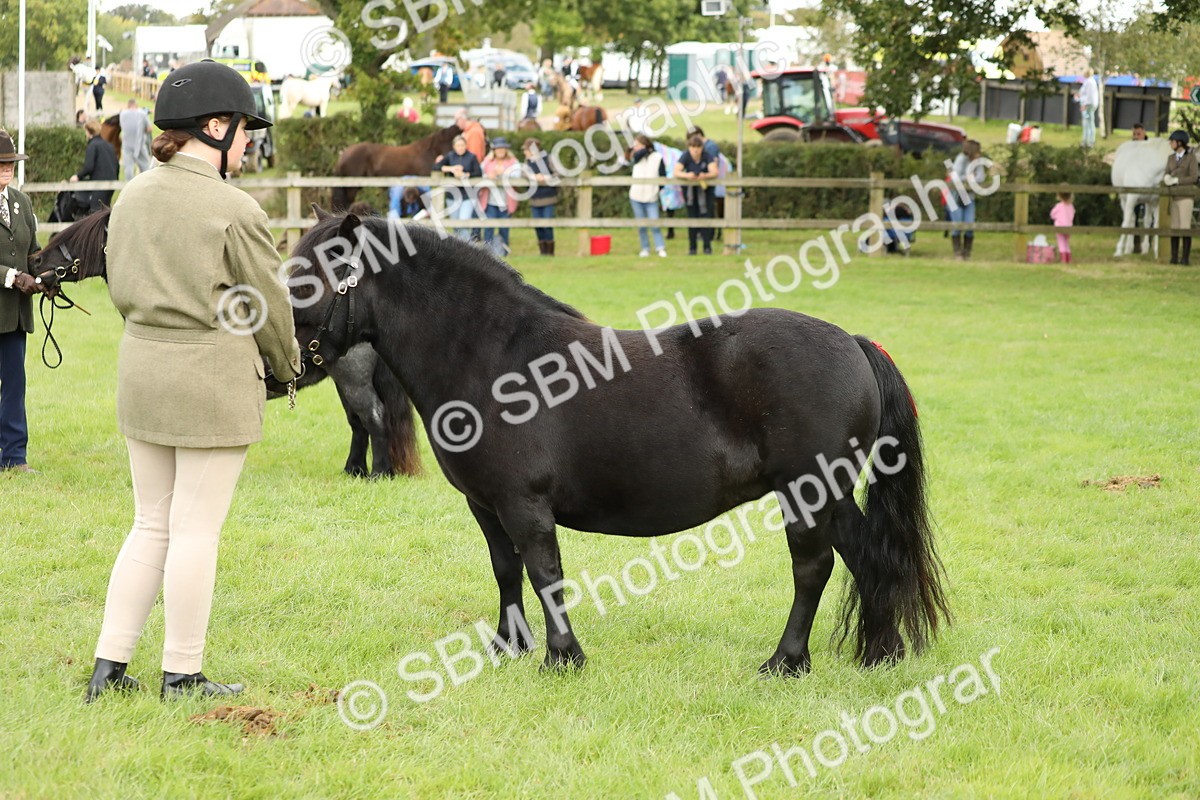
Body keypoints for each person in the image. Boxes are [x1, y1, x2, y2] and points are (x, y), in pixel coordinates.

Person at [85, 60, 303, 703]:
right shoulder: (233, 207)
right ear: (213, 126)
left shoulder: (131, 197)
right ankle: (181, 672)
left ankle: (109, 666)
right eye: (242, 131)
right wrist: (288, 367)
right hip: (208, 376)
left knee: (150, 522)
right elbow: (269, 304)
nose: (246, 142)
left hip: (142, 366)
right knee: (196, 529)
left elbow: (120, 287)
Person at [0, 129, 43, 474]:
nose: (6, 170)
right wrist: (14, 277)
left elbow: (33, 251)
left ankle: (14, 456)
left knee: (15, 384)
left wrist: (45, 275)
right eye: (1, 164)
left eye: (10, 164)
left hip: (14, 316)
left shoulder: (21, 202)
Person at [674, 134, 718, 255]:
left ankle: (707, 247)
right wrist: (688, 176)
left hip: (705, 193)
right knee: (692, 219)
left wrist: (705, 176)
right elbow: (676, 171)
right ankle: (692, 248)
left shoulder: (707, 156)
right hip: (691, 195)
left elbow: (714, 171)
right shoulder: (685, 156)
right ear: (689, 147)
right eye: (693, 147)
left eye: (698, 147)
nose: (695, 150)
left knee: (706, 219)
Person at [435, 134, 482, 241]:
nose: (460, 147)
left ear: (466, 145)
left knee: (463, 221)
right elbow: (436, 167)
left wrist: (465, 175)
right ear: (454, 146)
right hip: (452, 195)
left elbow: (478, 173)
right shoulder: (450, 156)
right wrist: (451, 169)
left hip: (468, 195)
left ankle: (468, 248)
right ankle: (459, 248)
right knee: (455, 224)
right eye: (458, 145)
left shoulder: (472, 157)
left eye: (462, 145)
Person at [69, 119, 119, 213]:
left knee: (96, 211)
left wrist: (78, 176)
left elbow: (89, 167)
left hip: (99, 183)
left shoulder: (92, 145)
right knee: (106, 210)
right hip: (112, 182)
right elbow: (117, 165)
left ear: (88, 131)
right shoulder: (109, 145)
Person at [629, 134, 667, 258]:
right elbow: (633, 160)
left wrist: (656, 189)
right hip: (636, 195)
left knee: (654, 223)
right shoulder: (635, 157)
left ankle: (660, 247)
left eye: (637, 145)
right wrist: (641, 151)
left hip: (651, 196)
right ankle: (645, 248)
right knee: (641, 225)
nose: (634, 148)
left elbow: (663, 177)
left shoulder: (657, 157)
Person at [480, 137, 519, 257]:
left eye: (502, 148)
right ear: (494, 150)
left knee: (504, 229)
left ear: (506, 149)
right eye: (498, 148)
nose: (500, 151)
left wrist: (504, 174)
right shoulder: (487, 162)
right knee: (488, 228)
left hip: (506, 202)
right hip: (490, 201)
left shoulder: (513, 162)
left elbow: (518, 175)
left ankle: (504, 253)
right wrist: (488, 176)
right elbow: (479, 174)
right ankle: (487, 254)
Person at [1163, 129, 1197, 265]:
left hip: (1186, 196)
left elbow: (1194, 177)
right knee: (1175, 226)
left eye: (1172, 141)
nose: (1170, 144)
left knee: (1185, 227)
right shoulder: (1170, 158)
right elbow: (1166, 171)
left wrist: (1177, 180)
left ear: (1179, 143)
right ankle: (1174, 257)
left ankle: (1185, 258)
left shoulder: (1191, 158)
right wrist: (1166, 177)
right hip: (1174, 197)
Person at [949, 139, 986, 260]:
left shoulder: (978, 162)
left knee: (970, 225)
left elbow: (981, 177)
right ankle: (957, 253)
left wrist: (970, 178)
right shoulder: (961, 159)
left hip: (969, 197)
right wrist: (969, 177)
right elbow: (955, 177)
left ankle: (967, 253)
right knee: (957, 224)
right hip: (956, 196)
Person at [523, 138, 557, 256]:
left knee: (547, 224)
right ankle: (542, 252)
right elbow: (523, 174)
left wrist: (546, 177)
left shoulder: (548, 158)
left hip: (548, 197)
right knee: (537, 226)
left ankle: (550, 252)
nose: (525, 152)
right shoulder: (527, 162)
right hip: (534, 198)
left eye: (527, 150)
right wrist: (533, 177)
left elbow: (558, 173)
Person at [118, 99, 153, 180]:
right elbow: (149, 129)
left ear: (128, 105)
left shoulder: (122, 114)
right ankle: (146, 183)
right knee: (145, 166)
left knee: (128, 167)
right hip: (139, 144)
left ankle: (129, 185)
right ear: (136, 105)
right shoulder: (142, 113)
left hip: (127, 144)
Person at [1050, 191, 1075, 263]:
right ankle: (1069, 258)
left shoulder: (1059, 206)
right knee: (1066, 242)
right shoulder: (1071, 206)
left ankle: (1063, 258)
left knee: (1061, 242)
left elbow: (1052, 214)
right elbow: (1072, 214)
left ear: (1059, 196)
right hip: (1068, 227)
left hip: (1059, 226)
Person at [1076, 69, 1098, 148]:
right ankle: (1086, 141)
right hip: (1088, 104)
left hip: (1088, 105)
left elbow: (1089, 95)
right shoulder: (1089, 81)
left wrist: (1084, 105)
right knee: (1087, 123)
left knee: (1088, 123)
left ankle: (1089, 142)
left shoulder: (1089, 82)